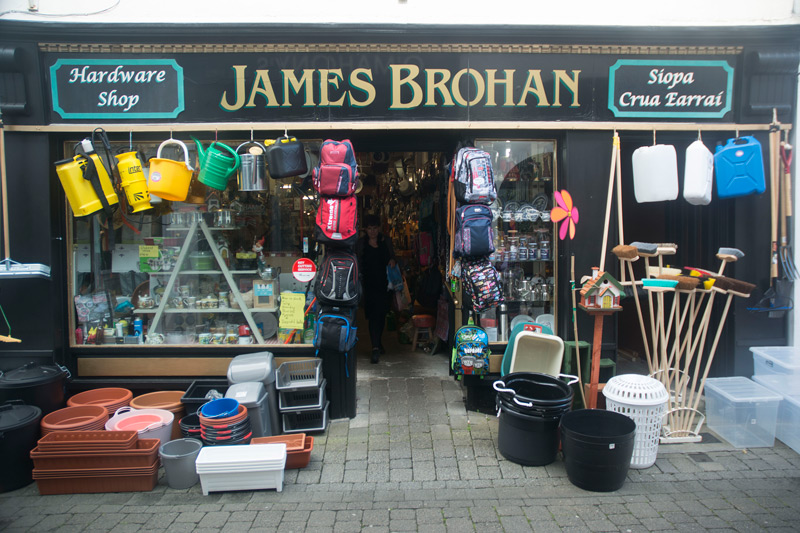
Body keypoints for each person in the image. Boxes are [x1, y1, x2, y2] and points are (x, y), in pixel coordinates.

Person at [356, 214, 396, 364]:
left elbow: (392, 257)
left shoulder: (386, 241)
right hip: (368, 285)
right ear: (365, 229)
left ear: (379, 228)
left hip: (385, 285)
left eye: (375, 228)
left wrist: (392, 260)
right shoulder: (361, 244)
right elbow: (357, 261)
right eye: (369, 229)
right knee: (373, 316)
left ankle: (378, 342)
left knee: (382, 315)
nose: (372, 231)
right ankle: (375, 348)